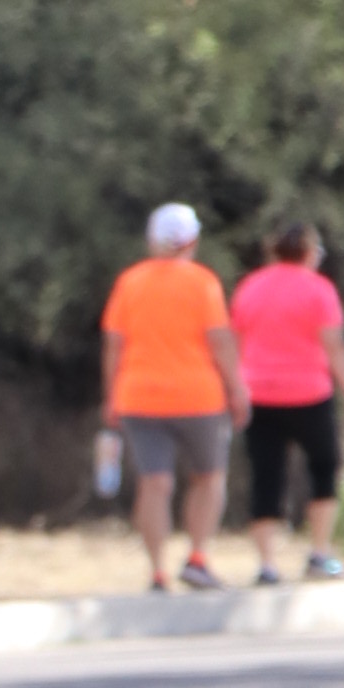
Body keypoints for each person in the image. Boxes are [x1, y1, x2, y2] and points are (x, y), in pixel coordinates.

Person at [101, 204, 250, 593]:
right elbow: (219, 341)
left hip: (138, 396)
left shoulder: (130, 282)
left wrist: (111, 395)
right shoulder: (203, 282)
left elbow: (114, 344)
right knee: (209, 477)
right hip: (199, 397)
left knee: (155, 484)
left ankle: (157, 572)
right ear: (192, 240)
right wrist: (237, 388)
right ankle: (197, 558)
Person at [232, 219, 344, 583]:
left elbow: (235, 341)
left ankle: (267, 564)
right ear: (309, 252)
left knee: (266, 477)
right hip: (310, 394)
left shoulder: (250, 287)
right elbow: (334, 347)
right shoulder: (319, 289)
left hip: (259, 394)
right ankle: (319, 553)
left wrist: (234, 389)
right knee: (324, 468)